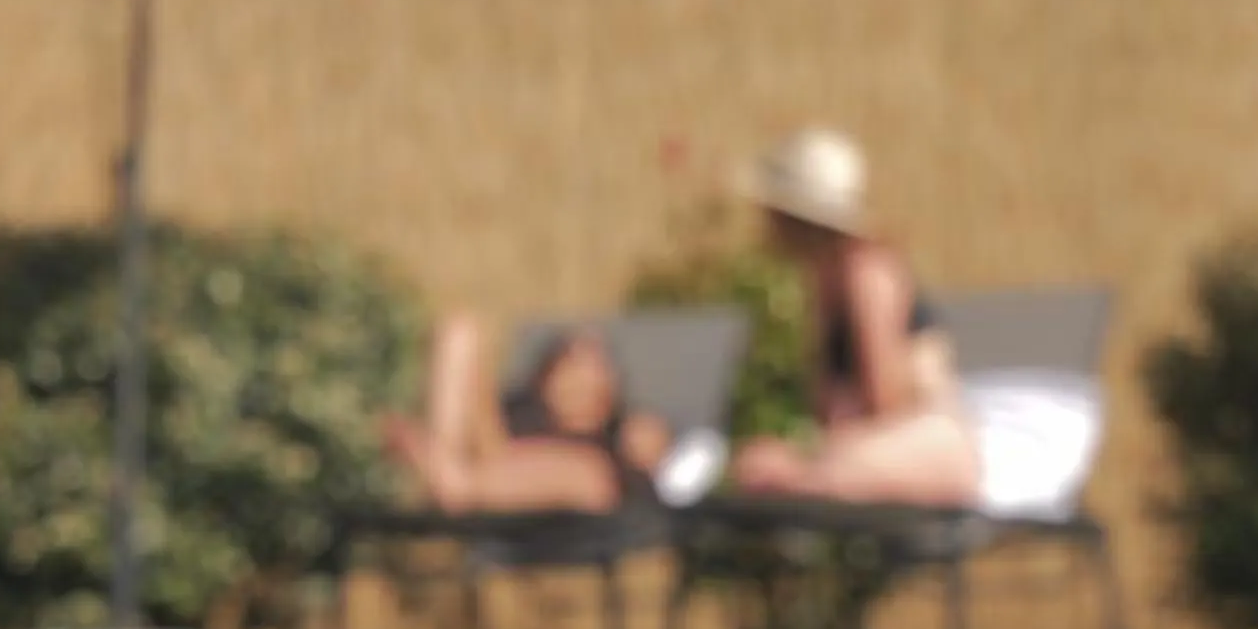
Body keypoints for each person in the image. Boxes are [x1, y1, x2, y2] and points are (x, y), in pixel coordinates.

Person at [730, 128, 982, 505]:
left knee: (795, 478)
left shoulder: (866, 273)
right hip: (874, 447)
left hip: (925, 447)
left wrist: (809, 457)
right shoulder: (822, 282)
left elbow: (886, 403)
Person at [385, 317, 671, 514]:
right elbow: (490, 445)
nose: (579, 382)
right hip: (495, 458)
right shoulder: (522, 413)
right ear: (545, 378)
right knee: (461, 333)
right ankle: (444, 468)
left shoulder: (605, 451)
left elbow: (652, 453)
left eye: (594, 369)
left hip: (574, 483)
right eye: (570, 365)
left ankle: (443, 471)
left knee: (586, 472)